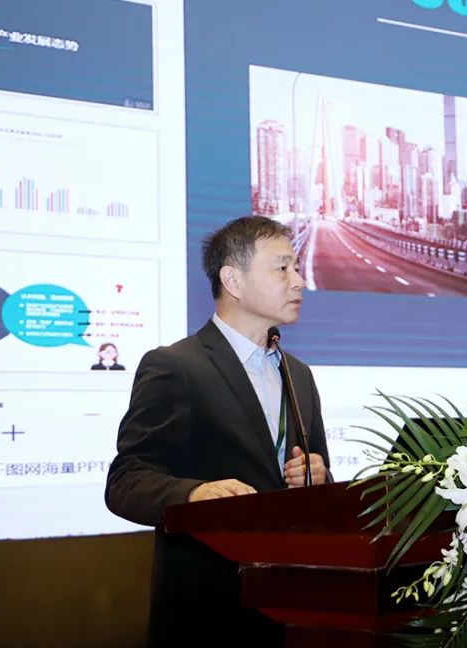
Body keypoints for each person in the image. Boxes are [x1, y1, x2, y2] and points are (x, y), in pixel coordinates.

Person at [105, 216, 331, 647]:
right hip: (209, 611)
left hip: (293, 609)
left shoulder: (298, 374)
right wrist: (194, 494)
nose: (299, 281)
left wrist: (318, 476)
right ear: (233, 280)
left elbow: (316, 483)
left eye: (296, 267)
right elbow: (126, 482)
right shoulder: (176, 366)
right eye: (282, 268)